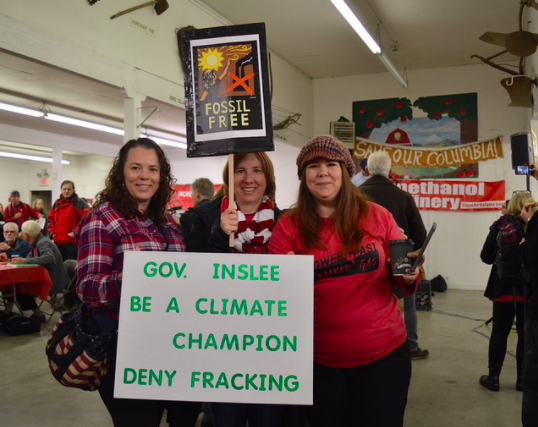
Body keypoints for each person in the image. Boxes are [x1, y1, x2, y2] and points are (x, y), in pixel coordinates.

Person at [268, 135, 423, 427]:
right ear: (304, 176)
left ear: (345, 171)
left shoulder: (378, 216)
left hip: (384, 356)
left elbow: (403, 275)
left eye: (331, 164)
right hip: (318, 362)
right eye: (313, 166)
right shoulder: (288, 226)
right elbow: (277, 299)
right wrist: (283, 278)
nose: (323, 171)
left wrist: (410, 273)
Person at [75, 138, 201, 427]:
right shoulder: (102, 218)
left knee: (186, 415)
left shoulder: (167, 221)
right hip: (125, 348)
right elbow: (87, 287)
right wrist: (137, 276)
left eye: (153, 169)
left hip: (173, 343)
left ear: (161, 176)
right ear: (121, 173)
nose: (145, 176)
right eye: (136, 167)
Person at [187, 152, 284, 427]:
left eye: (257, 170)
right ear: (229, 179)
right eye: (240, 171)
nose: (249, 179)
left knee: (269, 420)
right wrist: (219, 235)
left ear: (268, 179)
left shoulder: (286, 222)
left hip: (271, 348)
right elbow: (192, 282)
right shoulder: (201, 218)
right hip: (221, 346)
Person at [359, 150, 429, 360]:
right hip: (398, 257)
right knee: (407, 303)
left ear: (367, 170)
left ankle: (368, 348)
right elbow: (420, 235)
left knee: (364, 303)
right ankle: (410, 347)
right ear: (390, 171)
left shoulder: (355, 197)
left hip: (364, 261)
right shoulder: (404, 197)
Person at [479, 191, 533, 392]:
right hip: (526, 289)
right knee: (524, 335)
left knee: (500, 332)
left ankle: (493, 378)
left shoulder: (500, 226)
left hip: (502, 287)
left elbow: (485, 256)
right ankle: (521, 380)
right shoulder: (533, 227)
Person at [0, 222, 49, 324]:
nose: (9, 234)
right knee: (8, 283)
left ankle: (8, 310)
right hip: (7, 276)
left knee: (19, 286)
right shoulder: (1, 245)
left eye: (12, 232)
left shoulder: (25, 245)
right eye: (6, 232)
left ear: (17, 233)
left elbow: (26, 261)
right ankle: (8, 310)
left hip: (25, 276)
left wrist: (9, 250)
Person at [48, 180, 90, 261]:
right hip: (58, 242)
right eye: (64, 189)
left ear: (73, 190)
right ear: (61, 190)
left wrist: (74, 233)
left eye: (69, 189)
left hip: (72, 243)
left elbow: (87, 221)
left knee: (73, 268)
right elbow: (50, 220)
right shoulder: (57, 203)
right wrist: (52, 233)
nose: (66, 191)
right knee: (60, 267)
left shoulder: (80, 203)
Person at [180, 177, 215, 247]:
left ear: (197, 193)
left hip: (195, 256)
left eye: (192, 193)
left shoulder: (187, 216)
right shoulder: (221, 212)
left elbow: (185, 245)